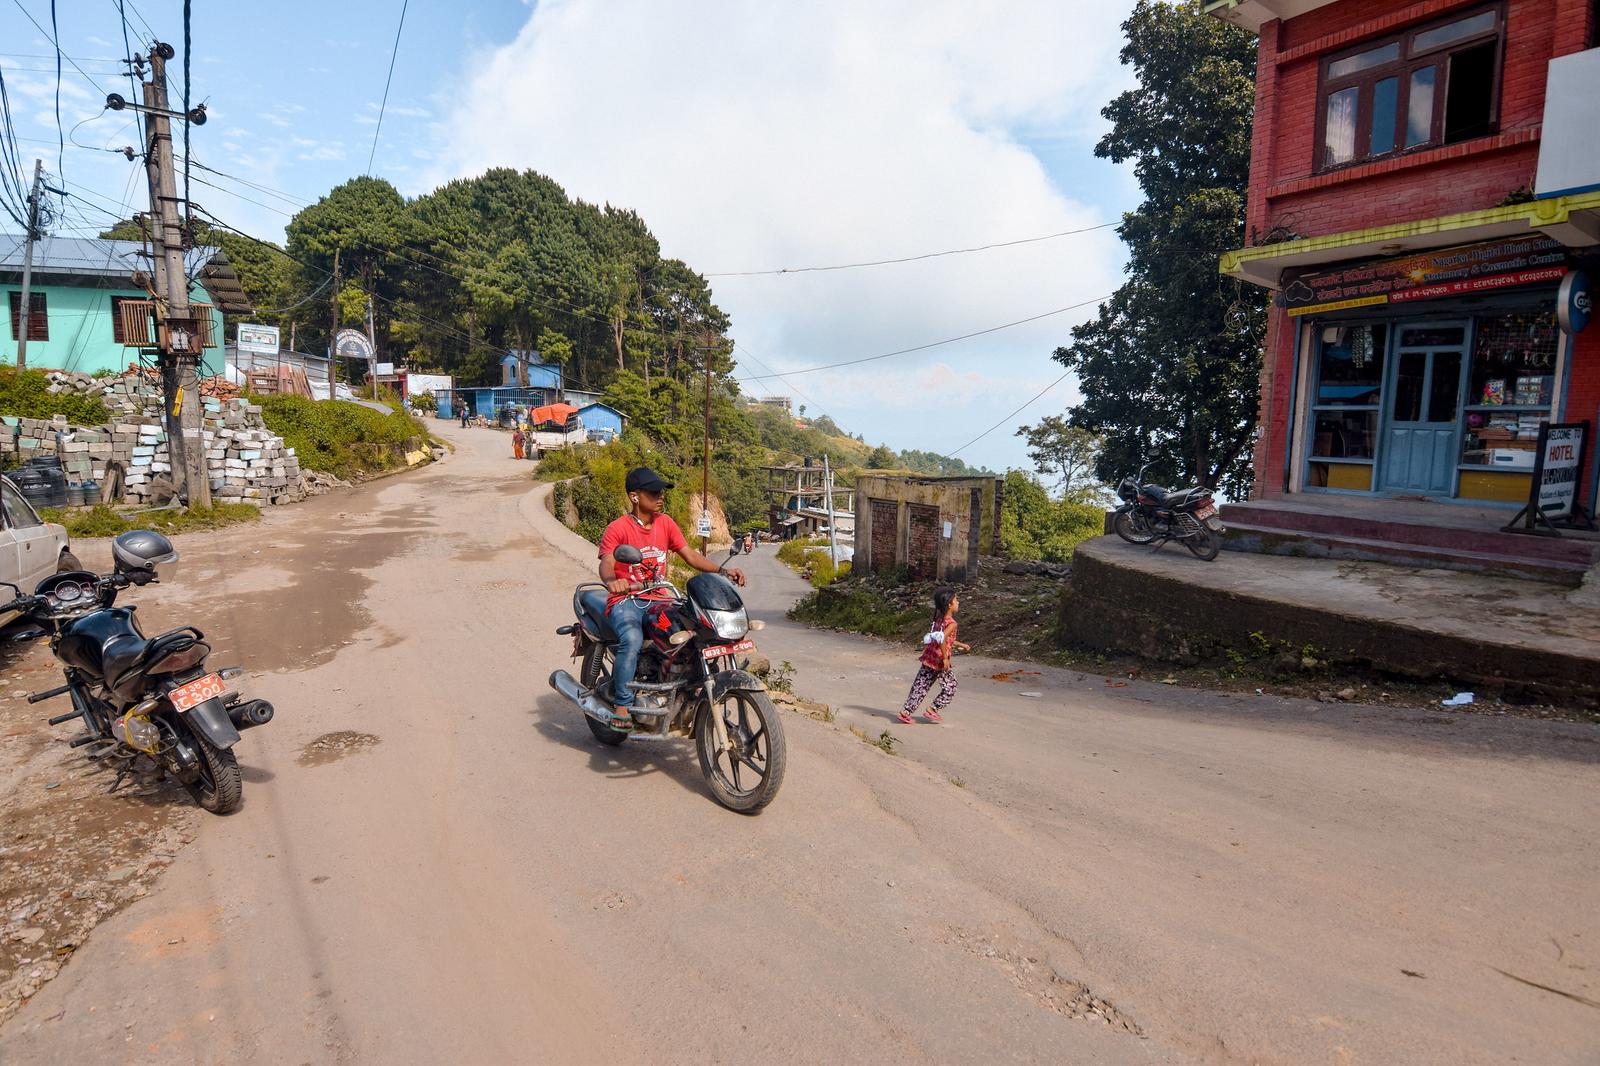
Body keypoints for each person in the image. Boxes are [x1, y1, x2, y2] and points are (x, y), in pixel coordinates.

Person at [598, 468, 746, 721]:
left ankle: (682, 688)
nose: (660, 496)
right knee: (632, 640)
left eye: (661, 492)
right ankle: (621, 706)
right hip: (627, 601)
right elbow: (606, 561)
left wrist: (723, 570)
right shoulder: (618, 528)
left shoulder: (665, 523)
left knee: (689, 634)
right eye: (653, 492)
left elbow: (690, 556)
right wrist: (613, 581)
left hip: (659, 599)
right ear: (634, 497)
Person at [898, 587, 969, 725]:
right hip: (939, 660)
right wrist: (944, 658)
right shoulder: (952, 623)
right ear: (949, 604)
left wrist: (961, 644)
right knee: (951, 686)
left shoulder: (939, 617)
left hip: (929, 657)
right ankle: (933, 709)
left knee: (921, 685)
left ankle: (906, 711)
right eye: (956, 600)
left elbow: (942, 638)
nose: (958, 602)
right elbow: (942, 638)